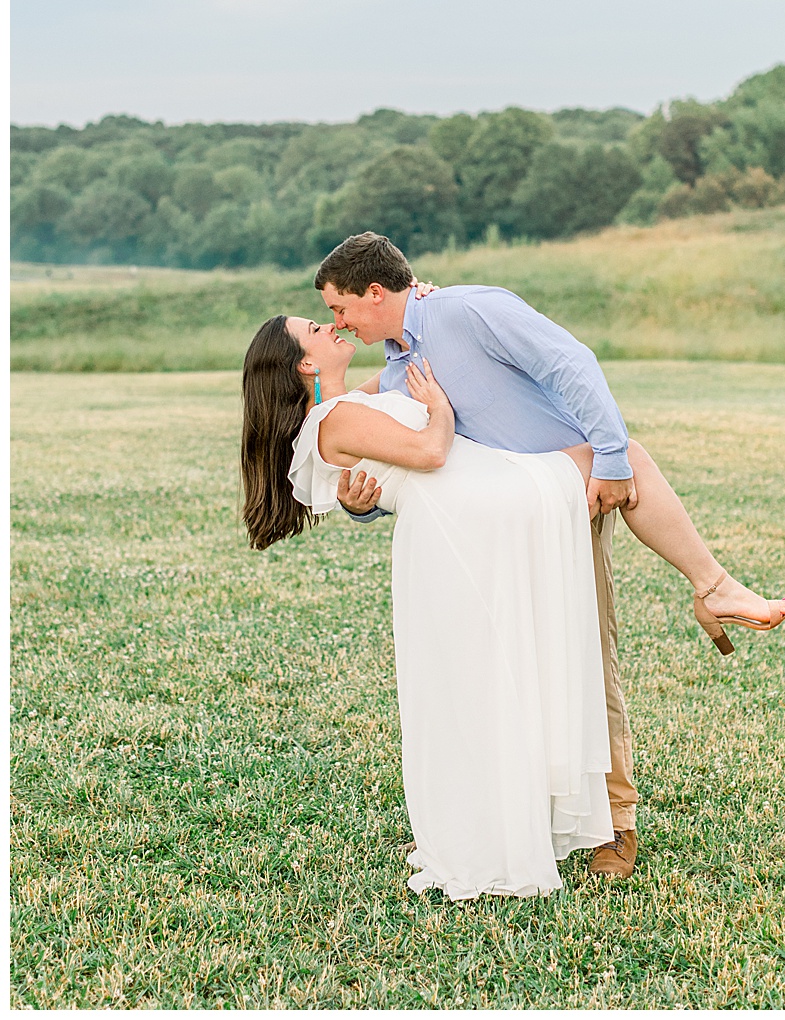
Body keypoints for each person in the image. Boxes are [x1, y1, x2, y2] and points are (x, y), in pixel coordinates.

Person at [312, 231, 785, 881]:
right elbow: (408, 466)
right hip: (495, 539)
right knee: (512, 675)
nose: (338, 322)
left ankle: (615, 827)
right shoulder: (398, 372)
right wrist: (360, 503)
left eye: (340, 308)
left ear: (375, 293)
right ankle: (525, 818)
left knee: (585, 660)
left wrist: (614, 457)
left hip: (567, 504)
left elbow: (572, 362)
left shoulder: (468, 310)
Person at [241, 316, 614, 898]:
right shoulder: (333, 419)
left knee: (485, 684)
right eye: (317, 328)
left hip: (469, 520)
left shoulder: (348, 403)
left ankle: (713, 586)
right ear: (306, 364)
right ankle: (713, 586)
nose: (333, 327)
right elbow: (431, 451)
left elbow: (392, 374)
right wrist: (438, 406)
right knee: (618, 454)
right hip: (475, 520)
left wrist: (418, 303)